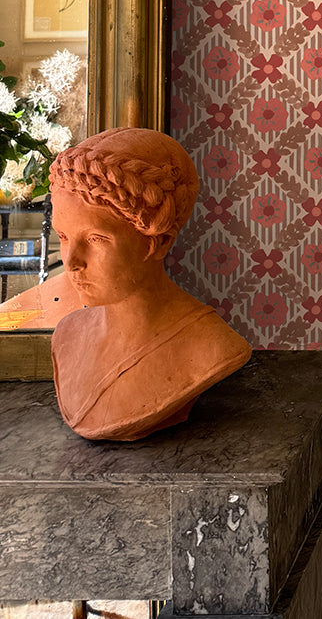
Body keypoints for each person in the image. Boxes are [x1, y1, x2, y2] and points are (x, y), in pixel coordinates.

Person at [49, 128, 250, 441]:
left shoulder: (211, 347)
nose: (72, 261)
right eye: (62, 237)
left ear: (158, 242)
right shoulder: (67, 336)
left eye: (96, 239)